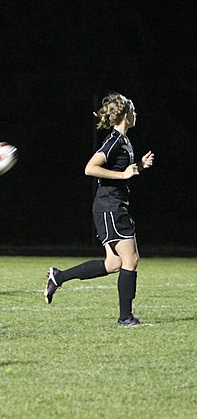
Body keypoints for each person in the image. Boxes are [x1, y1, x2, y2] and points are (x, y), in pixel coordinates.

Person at [44, 93, 154, 326]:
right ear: (126, 113)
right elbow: (90, 168)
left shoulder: (123, 141)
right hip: (111, 207)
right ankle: (125, 317)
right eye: (133, 108)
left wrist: (139, 167)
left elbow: (122, 172)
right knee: (131, 259)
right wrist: (124, 174)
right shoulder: (113, 140)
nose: (136, 112)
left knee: (114, 263)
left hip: (112, 206)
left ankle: (59, 276)